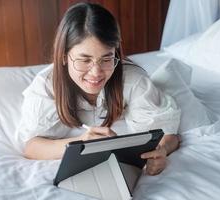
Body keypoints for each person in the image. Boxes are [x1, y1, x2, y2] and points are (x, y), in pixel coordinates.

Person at [15, 2, 181, 176]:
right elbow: (31, 147)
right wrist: (80, 144)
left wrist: (162, 150)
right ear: (64, 56)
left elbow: (169, 133)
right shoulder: (46, 85)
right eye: (85, 60)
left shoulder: (133, 80)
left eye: (106, 59)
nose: (96, 73)